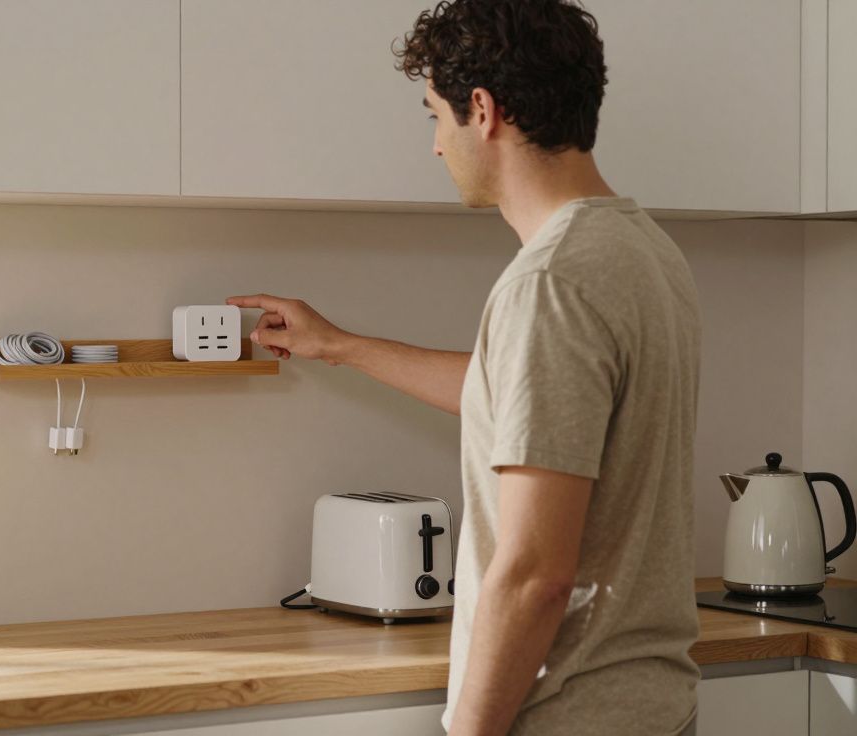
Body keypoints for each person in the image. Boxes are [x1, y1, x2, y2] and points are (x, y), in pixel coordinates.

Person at [228, 1, 701, 734]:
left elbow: (535, 576)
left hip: (568, 713)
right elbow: (529, 407)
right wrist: (340, 345)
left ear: (482, 110)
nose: (436, 146)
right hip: (652, 709)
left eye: (433, 117)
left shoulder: (551, 282)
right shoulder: (643, 252)